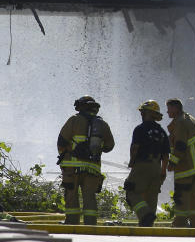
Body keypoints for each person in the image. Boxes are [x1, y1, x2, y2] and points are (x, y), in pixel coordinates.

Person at [57, 95, 115, 225]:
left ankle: (72, 223)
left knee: (71, 195)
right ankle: (90, 225)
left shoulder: (73, 120)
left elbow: (61, 142)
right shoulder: (103, 125)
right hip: (93, 168)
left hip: (72, 167)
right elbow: (109, 146)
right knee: (90, 197)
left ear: (81, 106)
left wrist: (64, 160)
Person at [125, 100, 170, 227]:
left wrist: (132, 162)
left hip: (142, 164)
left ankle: (145, 214)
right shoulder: (162, 132)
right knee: (151, 197)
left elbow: (135, 147)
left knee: (131, 191)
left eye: (143, 112)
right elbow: (166, 154)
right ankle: (147, 226)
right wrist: (163, 170)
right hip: (157, 167)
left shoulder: (140, 129)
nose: (141, 114)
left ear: (149, 113)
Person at [166, 98, 195, 227]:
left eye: (169, 109)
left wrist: (172, 163)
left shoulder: (180, 122)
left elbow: (180, 145)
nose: (167, 112)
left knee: (181, 197)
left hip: (186, 167)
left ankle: (179, 223)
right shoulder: (189, 118)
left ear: (175, 108)